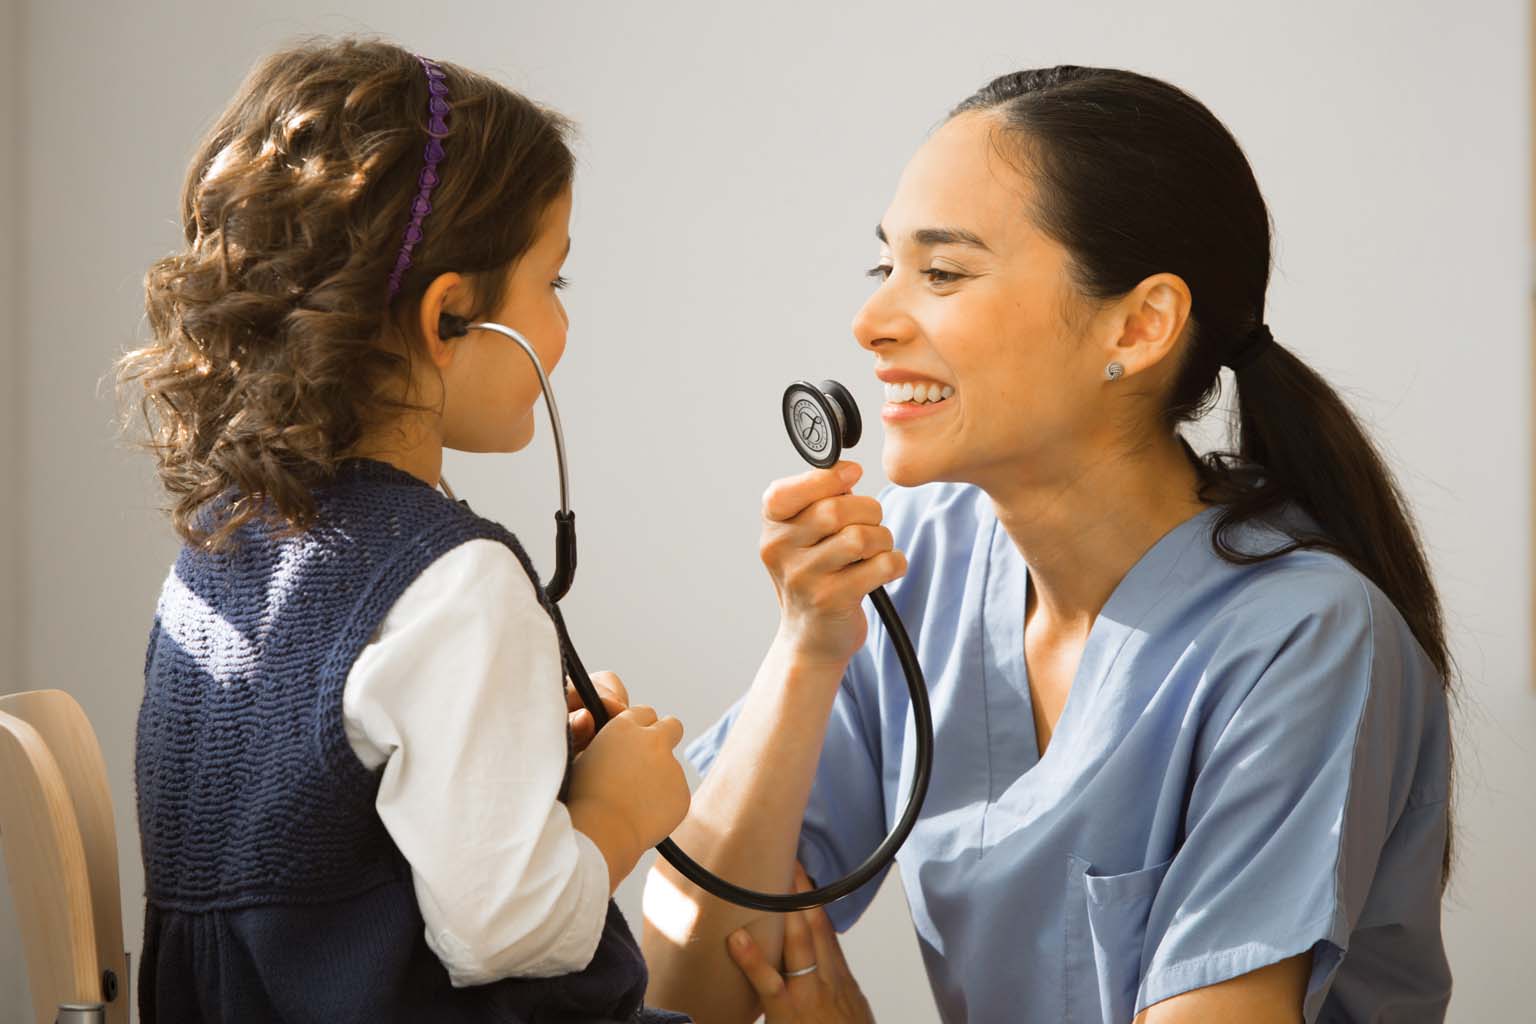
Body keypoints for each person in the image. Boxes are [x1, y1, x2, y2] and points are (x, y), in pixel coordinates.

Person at [643, 66, 1453, 1024]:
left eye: (942, 272)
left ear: (1139, 324)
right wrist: (805, 650)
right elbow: (688, 987)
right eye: (885, 267)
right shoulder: (914, 564)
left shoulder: (1304, 638)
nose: (872, 323)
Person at [117, 36, 692, 1023]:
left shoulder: (219, 542)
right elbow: (506, 930)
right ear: (451, 317)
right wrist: (612, 817)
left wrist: (508, 772)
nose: (563, 328)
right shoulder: (455, 579)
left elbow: (317, 828)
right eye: (555, 284)